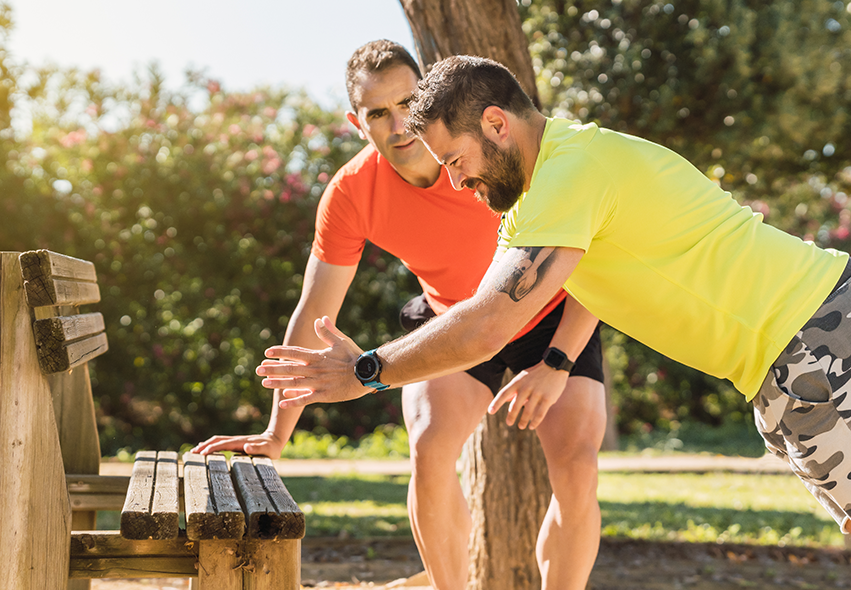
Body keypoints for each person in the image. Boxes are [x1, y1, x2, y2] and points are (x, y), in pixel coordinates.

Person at [258, 55, 851, 541]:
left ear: (496, 124)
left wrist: (364, 372)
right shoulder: (535, 201)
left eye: (457, 161)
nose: (457, 182)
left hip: (818, 338)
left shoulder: (569, 173)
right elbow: (475, 316)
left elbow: (486, 327)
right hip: (790, 361)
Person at [194, 43, 606, 590]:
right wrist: (276, 433)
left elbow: (598, 262)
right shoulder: (350, 193)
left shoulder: (491, 154)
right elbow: (315, 311)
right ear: (356, 122)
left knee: (577, 469)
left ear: (429, 95)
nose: (399, 124)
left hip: (552, 318)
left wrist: (558, 361)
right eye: (377, 113)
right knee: (430, 446)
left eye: (409, 103)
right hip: (451, 322)